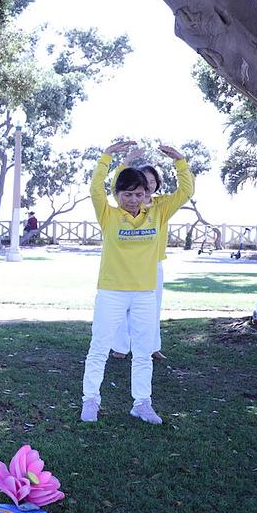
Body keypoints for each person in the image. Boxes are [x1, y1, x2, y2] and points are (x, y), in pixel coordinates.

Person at [81, 140, 193, 425]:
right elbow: (95, 188)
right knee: (99, 348)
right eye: (127, 194)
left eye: (139, 194)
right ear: (118, 195)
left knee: (143, 353)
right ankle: (91, 400)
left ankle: (142, 403)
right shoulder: (109, 215)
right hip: (111, 292)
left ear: (146, 195)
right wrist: (107, 156)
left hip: (144, 293)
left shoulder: (158, 212)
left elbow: (186, 191)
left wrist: (179, 160)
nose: (133, 199)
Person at [109, 154, 181, 361]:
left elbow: (185, 192)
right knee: (122, 309)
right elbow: (116, 186)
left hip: (153, 264)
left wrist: (179, 161)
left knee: (152, 308)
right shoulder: (126, 204)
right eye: (144, 181)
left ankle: (152, 346)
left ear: (157, 184)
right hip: (123, 266)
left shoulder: (162, 205)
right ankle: (120, 347)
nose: (148, 185)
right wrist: (124, 163)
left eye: (152, 181)